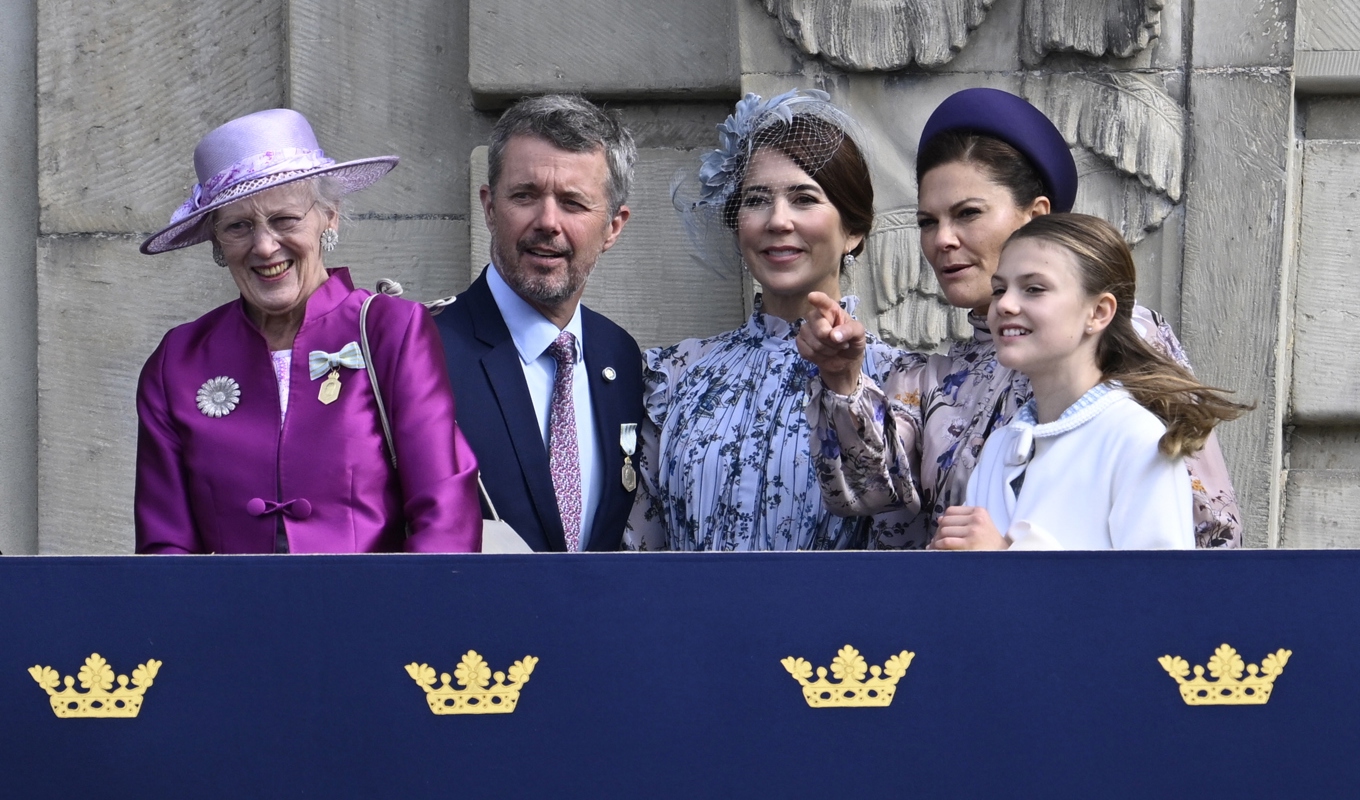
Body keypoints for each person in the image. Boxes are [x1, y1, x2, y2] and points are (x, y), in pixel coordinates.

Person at [798, 87, 1244, 548]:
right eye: (927, 222)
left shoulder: (1122, 335)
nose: (942, 240)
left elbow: (1210, 530)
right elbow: (867, 496)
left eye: (967, 213)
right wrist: (842, 377)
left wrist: (1009, 558)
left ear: (1036, 216)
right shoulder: (926, 380)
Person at [136, 108, 481, 554]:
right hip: (227, 621)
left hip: (373, 618)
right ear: (217, 240)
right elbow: (166, 548)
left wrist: (405, 621)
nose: (264, 246)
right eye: (239, 226)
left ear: (329, 216)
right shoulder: (178, 361)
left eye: (284, 220)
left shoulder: (390, 331)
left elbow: (444, 516)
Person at [624, 89, 925, 551]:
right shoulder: (675, 374)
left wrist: (845, 385)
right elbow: (640, 553)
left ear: (854, 230)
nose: (777, 220)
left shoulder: (903, 379)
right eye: (757, 200)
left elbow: (899, 537)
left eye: (804, 198)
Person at [936, 214, 1248, 549]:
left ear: (1099, 312)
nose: (1005, 304)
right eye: (1000, 289)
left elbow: (1156, 596)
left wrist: (1002, 557)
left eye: (1034, 289)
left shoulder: (1137, 440)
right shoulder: (1000, 445)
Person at [436, 95, 644, 552]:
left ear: (613, 227)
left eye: (573, 203)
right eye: (525, 196)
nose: (548, 222)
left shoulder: (622, 358)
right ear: (489, 208)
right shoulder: (422, 351)